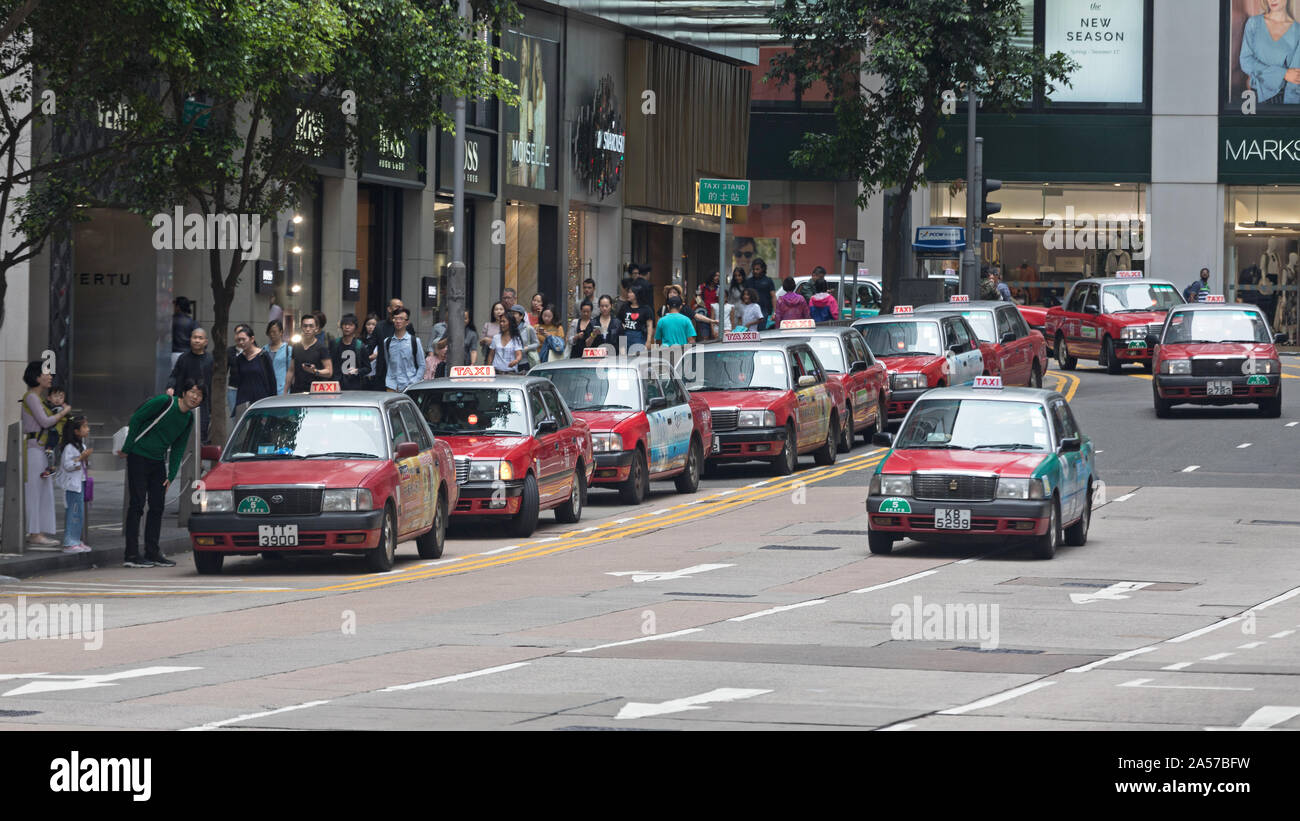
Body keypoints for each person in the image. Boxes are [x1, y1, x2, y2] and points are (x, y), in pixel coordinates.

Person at [121, 379, 204, 568]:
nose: (195, 397)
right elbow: (137, 419)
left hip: (158, 462)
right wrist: (127, 448)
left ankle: (152, 552)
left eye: (199, 395)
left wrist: (171, 475)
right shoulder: (164, 402)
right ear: (183, 392)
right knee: (137, 504)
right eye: (192, 391)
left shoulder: (188, 419)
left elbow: (178, 448)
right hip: (138, 456)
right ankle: (131, 554)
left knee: (157, 506)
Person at [20, 361, 70, 546]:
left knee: (43, 491)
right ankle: (35, 533)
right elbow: (45, 421)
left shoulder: (39, 399)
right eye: (46, 374)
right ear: (36, 376)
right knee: (35, 491)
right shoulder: (32, 397)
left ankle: (39, 532)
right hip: (35, 449)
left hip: (42, 450)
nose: (50, 377)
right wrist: (64, 412)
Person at [1241, 0, 1300, 106]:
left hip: (1284, 98)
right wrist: (1283, 74)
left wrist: (1289, 113)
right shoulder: (1253, 23)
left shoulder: (1298, 31)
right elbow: (1246, 61)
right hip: (1254, 95)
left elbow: (1295, 79)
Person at [166, 326, 214, 443]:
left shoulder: (210, 360)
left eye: (200, 338)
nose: (197, 340)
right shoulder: (183, 358)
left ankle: (199, 461)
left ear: (206, 341)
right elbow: (174, 375)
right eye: (195, 337)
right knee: (179, 434)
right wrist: (170, 386)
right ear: (190, 339)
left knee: (200, 436)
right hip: (183, 401)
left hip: (202, 403)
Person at [56, 415, 93, 554]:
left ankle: (76, 540)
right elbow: (67, 465)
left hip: (80, 483)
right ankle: (69, 542)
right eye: (84, 426)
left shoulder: (81, 445)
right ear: (76, 431)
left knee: (79, 514)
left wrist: (85, 459)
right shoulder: (69, 448)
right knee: (74, 513)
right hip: (72, 486)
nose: (87, 429)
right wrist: (80, 458)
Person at [232, 324, 277, 411]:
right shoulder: (239, 358)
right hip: (244, 400)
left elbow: (272, 380)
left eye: (244, 339)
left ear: (252, 339)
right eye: (239, 340)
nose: (241, 342)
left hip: (261, 400)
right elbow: (239, 381)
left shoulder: (263, 356)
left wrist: (272, 401)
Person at [286, 314, 333, 393]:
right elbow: (291, 370)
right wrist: (285, 391)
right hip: (297, 390)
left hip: (315, 391)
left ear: (316, 328)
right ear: (301, 327)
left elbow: (329, 372)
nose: (308, 329)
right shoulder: (296, 346)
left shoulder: (321, 348)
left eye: (311, 326)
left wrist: (314, 371)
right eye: (305, 326)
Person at [381, 307, 424, 391]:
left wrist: (414, 381)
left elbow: (422, 365)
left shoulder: (415, 341)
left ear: (407, 322)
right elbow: (388, 362)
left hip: (409, 385)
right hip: (391, 385)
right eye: (395, 318)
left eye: (401, 319)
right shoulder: (387, 342)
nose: (398, 321)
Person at [332, 313, 370, 390]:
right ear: (341, 326)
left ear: (355, 327)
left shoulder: (360, 346)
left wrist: (357, 371)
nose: (347, 327)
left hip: (355, 386)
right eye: (345, 324)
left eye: (350, 325)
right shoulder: (335, 343)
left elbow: (368, 368)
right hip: (337, 385)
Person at [618, 283, 653, 351]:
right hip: (625, 335)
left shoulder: (646, 309)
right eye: (628, 292)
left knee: (638, 359)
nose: (628, 294)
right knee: (623, 358)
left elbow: (649, 326)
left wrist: (648, 341)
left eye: (631, 292)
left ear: (637, 294)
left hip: (639, 336)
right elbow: (619, 320)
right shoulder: (624, 307)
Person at [745, 258, 776, 327]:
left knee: (763, 333)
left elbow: (773, 296)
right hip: (751, 312)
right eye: (753, 269)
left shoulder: (768, 281)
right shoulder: (748, 281)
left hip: (764, 311)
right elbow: (744, 296)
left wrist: (775, 312)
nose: (755, 271)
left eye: (757, 269)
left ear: (762, 269)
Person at [265, 319, 292, 395]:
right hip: (267, 389)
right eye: (270, 332)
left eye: (274, 332)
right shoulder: (264, 350)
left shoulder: (288, 350)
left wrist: (286, 389)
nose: (272, 334)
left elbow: (291, 371)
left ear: (281, 332)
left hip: (282, 389)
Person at [511, 304, 541, 370]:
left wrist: (527, 347)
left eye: (514, 313)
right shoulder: (508, 328)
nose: (512, 316)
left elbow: (537, 343)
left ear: (521, 316)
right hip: (511, 361)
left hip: (525, 362)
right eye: (511, 313)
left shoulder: (528, 328)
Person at [171, 297, 197, 366]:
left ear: (178, 307)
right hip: (188, 354)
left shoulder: (170, 321)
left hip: (172, 354)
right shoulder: (193, 323)